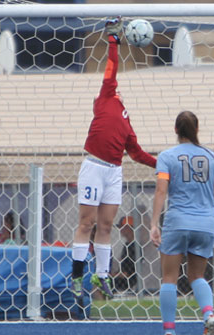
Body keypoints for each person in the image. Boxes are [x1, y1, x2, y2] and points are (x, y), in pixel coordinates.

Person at [70, 16, 156, 301]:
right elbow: (111, 66)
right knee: (87, 223)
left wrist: (161, 163)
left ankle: (102, 276)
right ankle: (78, 275)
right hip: (94, 166)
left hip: (114, 171)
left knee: (107, 226)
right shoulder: (106, 96)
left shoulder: (126, 121)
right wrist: (113, 39)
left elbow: (137, 153)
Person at [150, 111, 214, 335]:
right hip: (204, 223)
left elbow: (161, 190)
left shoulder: (167, 157)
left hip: (177, 222)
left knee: (169, 278)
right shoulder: (212, 157)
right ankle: (209, 314)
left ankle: (169, 333)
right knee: (197, 276)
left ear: (175, 130)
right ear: (197, 130)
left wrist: (154, 223)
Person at [112, 216, 138, 293]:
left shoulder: (134, 247)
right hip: (122, 278)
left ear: (129, 228)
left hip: (128, 281)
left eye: (122, 227)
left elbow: (127, 273)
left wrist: (112, 275)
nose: (120, 230)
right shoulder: (127, 244)